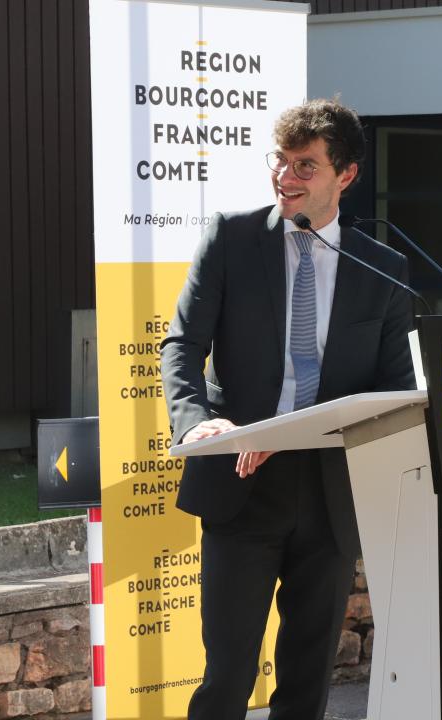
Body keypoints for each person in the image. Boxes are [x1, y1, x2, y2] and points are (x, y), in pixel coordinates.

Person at [160, 98, 415, 719]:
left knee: (306, 681)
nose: (285, 177)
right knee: (226, 676)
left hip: (331, 494)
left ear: (345, 176)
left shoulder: (383, 269)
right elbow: (181, 348)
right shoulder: (230, 239)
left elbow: (394, 387)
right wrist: (201, 424)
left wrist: (304, 429)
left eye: (305, 165)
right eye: (280, 161)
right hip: (239, 484)